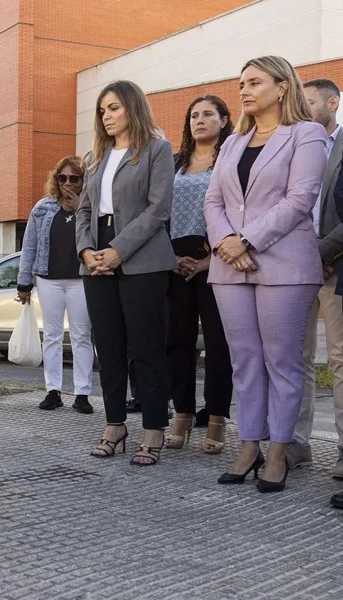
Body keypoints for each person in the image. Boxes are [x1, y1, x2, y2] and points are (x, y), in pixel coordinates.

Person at [204, 56, 326, 493]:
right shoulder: (234, 142)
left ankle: (279, 450)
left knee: (282, 362)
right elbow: (213, 202)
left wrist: (247, 240)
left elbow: (300, 198)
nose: (244, 90)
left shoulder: (307, 134)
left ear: (282, 87)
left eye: (254, 82)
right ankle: (248, 444)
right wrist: (226, 243)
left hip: (285, 264)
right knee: (245, 361)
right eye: (240, 83)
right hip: (228, 264)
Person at [76, 80, 177, 466]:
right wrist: (87, 251)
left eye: (114, 108)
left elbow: (158, 209)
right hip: (95, 256)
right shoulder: (95, 158)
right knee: (109, 347)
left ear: (132, 107)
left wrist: (118, 250)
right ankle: (114, 425)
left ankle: (154, 428)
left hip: (141, 257)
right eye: (102, 110)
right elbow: (83, 210)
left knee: (146, 346)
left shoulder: (157, 149)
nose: (107, 116)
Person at [164, 96, 234, 454]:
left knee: (219, 344)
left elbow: (239, 212)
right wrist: (171, 256)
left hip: (218, 259)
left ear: (224, 119)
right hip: (176, 262)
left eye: (208, 114)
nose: (200, 120)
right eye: (194, 115)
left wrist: (210, 262)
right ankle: (183, 414)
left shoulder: (232, 159)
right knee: (178, 342)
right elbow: (160, 212)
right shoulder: (175, 163)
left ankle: (218, 417)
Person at [287, 79, 343, 473]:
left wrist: (321, 253)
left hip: (335, 267)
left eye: (309, 103)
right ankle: (296, 444)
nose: (304, 109)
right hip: (293, 266)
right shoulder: (295, 146)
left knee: (339, 359)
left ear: (333, 103)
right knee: (296, 357)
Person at [16, 155, 94, 414]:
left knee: (82, 336)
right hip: (48, 279)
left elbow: (97, 238)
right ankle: (53, 391)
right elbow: (29, 246)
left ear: (84, 180)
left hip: (80, 279)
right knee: (52, 335)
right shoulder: (42, 208)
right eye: (63, 178)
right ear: (55, 179)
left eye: (74, 178)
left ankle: (82, 393)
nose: (68, 183)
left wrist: (81, 207)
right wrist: (23, 282)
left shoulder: (90, 206)